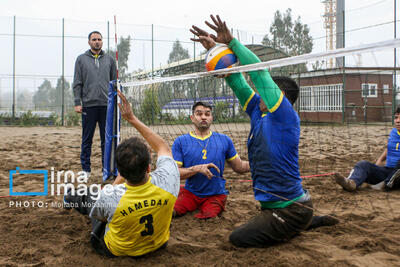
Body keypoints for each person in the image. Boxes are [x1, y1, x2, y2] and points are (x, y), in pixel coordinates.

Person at [190, 15, 337, 247]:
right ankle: (303, 221)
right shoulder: (260, 112)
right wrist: (217, 51)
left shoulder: (284, 116)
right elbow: (238, 83)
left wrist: (232, 43)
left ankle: (300, 222)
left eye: (264, 92)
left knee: (236, 239)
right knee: (253, 229)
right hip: (279, 205)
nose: (257, 93)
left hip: (289, 209)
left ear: (281, 97)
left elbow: (259, 74)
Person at [64, 90, 180, 257]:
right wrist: (131, 118)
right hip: (158, 245)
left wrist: (115, 184)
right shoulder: (167, 181)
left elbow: (102, 216)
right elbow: (163, 148)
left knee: (91, 195)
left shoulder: (110, 197)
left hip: (116, 251)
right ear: (149, 167)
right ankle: (72, 197)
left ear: (121, 172)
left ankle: (69, 197)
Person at [172, 101, 250, 219]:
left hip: (215, 194)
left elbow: (239, 167)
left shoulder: (224, 140)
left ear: (212, 118)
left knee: (209, 215)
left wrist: (260, 163)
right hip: (191, 192)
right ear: (192, 118)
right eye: (199, 114)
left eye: (207, 114)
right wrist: (197, 169)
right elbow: (175, 173)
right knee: (173, 211)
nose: (203, 117)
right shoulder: (180, 141)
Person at [73, 31, 117, 177]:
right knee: (87, 139)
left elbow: (114, 83)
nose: (97, 41)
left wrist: (116, 102)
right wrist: (77, 102)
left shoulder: (110, 60)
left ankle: (107, 169)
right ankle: (86, 170)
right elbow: (77, 83)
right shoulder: (81, 59)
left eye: (99, 39)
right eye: (94, 39)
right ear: (89, 42)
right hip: (88, 106)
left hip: (107, 106)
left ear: (102, 41)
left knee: (108, 140)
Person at [334, 107, 400, 191]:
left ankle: (385, 185)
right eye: (396, 117)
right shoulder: (393, 132)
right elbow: (390, 148)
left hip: (398, 176)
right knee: (363, 164)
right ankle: (351, 183)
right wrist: (380, 160)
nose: (398, 120)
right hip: (387, 170)